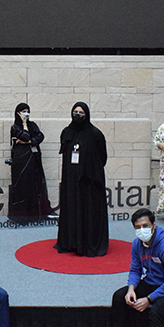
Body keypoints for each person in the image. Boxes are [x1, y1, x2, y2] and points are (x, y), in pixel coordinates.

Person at [54, 102, 109, 257]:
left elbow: (102, 158)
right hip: (70, 181)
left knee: (87, 210)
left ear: (87, 114)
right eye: (75, 112)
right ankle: (71, 242)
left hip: (89, 182)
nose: (78, 115)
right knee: (72, 208)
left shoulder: (95, 134)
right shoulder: (66, 132)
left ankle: (86, 243)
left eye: (81, 112)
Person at [8, 102, 53, 224]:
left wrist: (28, 142)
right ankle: (23, 216)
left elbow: (40, 136)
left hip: (33, 161)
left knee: (35, 185)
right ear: (17, 113)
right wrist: (24, 125)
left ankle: (37, 214)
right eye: (23, 111)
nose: (25, 114)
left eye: (27, 111)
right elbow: (26, 135)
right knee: (22, 185)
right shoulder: (15, 127)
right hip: (21, 161)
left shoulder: (32, 125)